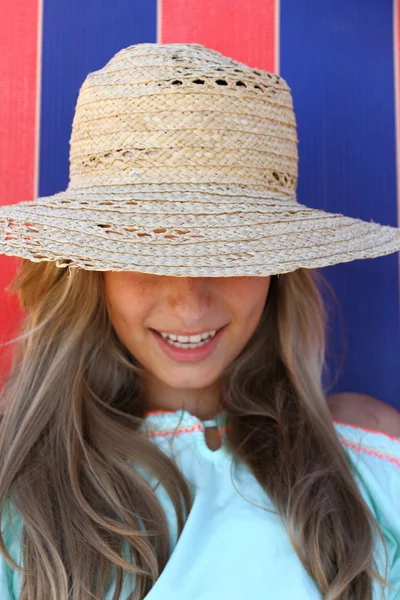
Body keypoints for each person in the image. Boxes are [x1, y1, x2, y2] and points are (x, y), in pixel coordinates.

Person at [0, 42, 398, 600]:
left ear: (277, 268)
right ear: (94, 271)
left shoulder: (370, 470)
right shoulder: (18, 497)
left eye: (229, 252)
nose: (189, 303)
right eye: (148, 248)